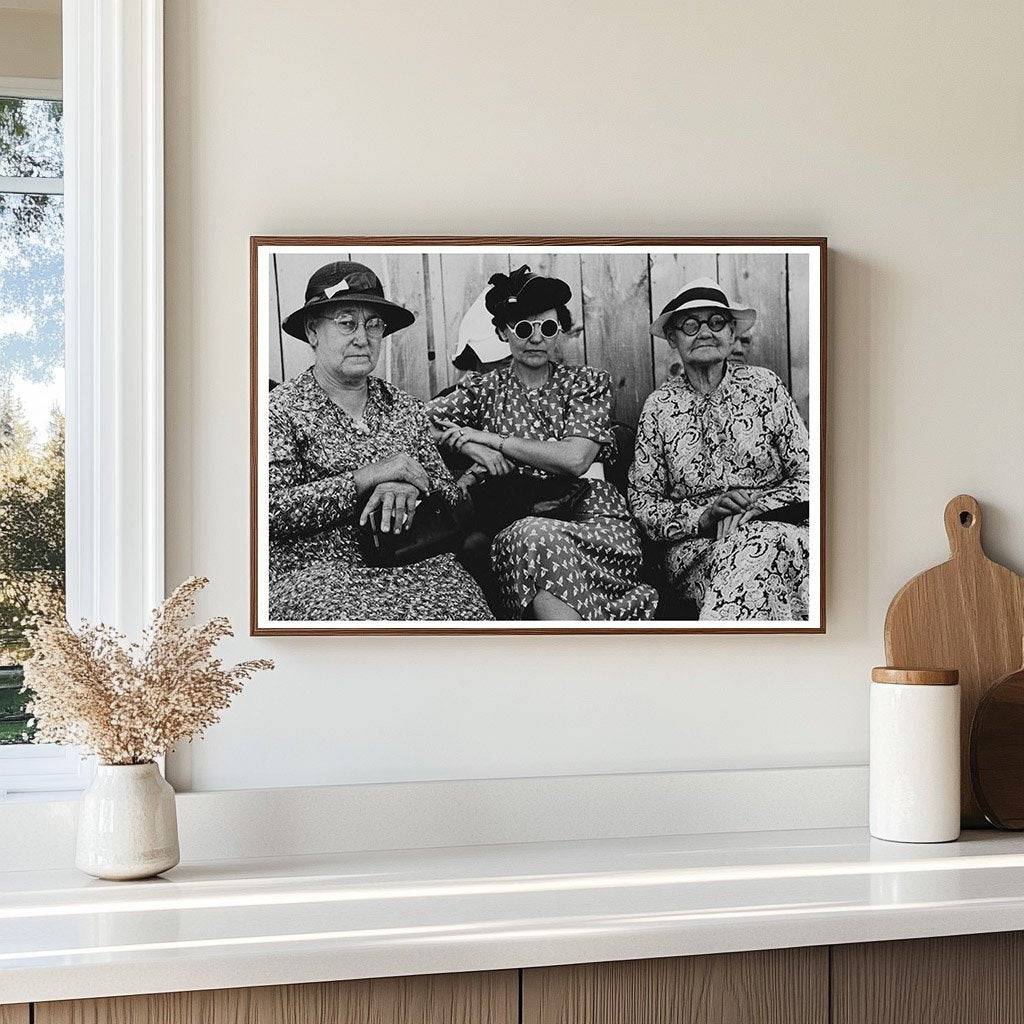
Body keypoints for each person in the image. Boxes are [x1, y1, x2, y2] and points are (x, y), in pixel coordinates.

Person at [428, 265, 657, 621]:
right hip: (521, 522)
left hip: (594, 520)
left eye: (547, 328)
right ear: (503, 333)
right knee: (534, 538)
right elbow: (412, 423)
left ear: (559, 332)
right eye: (522, 327)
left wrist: (492, 439)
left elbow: (575, 459)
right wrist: (468, 447)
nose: (536, 338)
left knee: (538, 540)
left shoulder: (588, 383)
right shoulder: (483, 389)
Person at [268, 261, 492, 622]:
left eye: (374, 325)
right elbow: (270, 511)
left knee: (465, 605)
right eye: (346, 322)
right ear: (312, 331)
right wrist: (368, 477)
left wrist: (412, 485)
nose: (363, 337)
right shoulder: (280, 410)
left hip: (415, 565)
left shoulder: (403, 406)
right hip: (319, 575)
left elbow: (453, 500)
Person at [629, 277, 810, 620]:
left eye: (716, 322)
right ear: (673, 338)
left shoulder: (764, 387)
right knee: (750, 555)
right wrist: (705, 516)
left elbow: (810, 475)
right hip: (697, 547)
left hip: (778, 528)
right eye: (690, 325)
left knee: (766, 546)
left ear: (731, 334)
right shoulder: (660, 406)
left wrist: (756, 508)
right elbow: (643, 504)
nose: (705, 332)